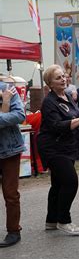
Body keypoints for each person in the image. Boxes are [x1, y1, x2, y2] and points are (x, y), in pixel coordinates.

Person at [37, 65, 79, 236]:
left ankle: (51, 220)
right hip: (53, 147)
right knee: (70, 182)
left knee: (58, 184)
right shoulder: (49, 102)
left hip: (67, 146)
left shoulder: (66, 96)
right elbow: (57, 126)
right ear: (50, 82)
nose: (63, 79)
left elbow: (74, 115)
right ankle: (64, 220)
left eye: (64, 76)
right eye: (58, 78)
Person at [0, 82, 25, 247]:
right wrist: (4, 106)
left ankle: (13, 230)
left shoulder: (6, 88)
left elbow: (20, 115)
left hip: (9, 150)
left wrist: (7, 104)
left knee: (10, 194)